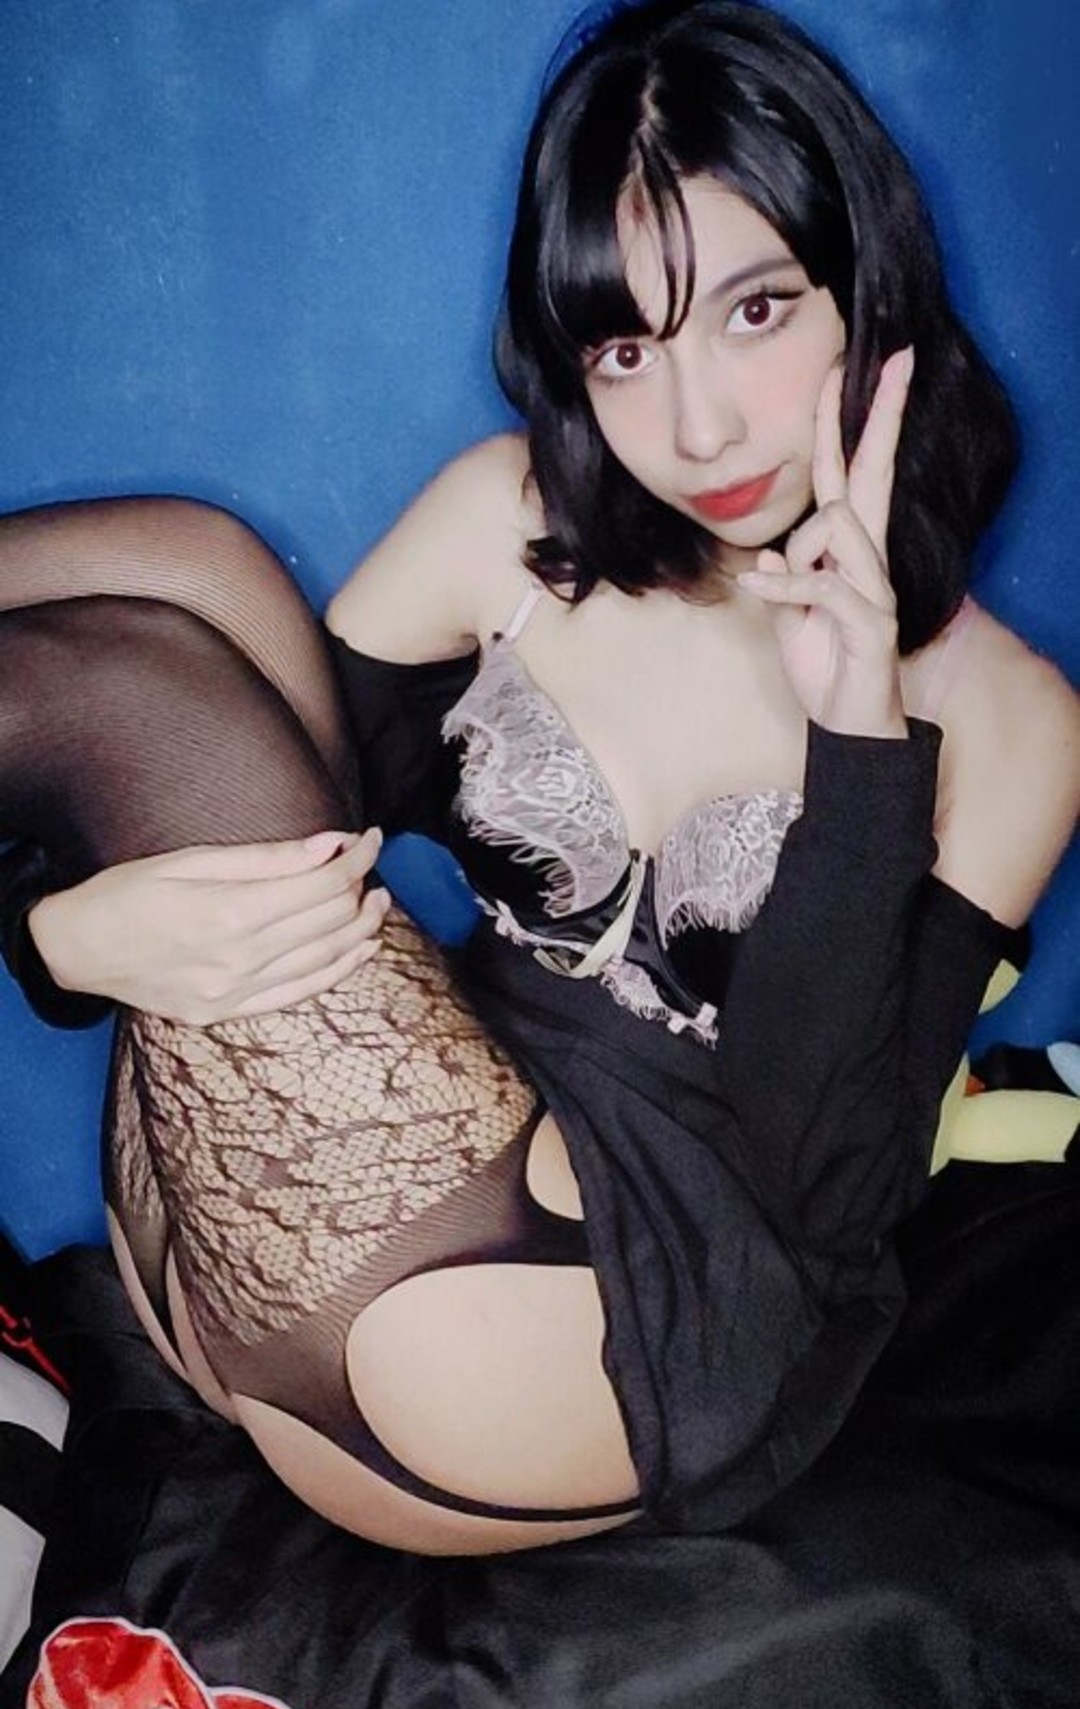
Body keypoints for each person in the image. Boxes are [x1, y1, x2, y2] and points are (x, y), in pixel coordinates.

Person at [0, 0, 1076, 1558]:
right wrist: (58, 939)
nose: (697, 425)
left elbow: (828, 1185)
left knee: (136, 690)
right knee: (200, 577)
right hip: (283, 1219)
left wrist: (859, 736)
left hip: (587, 1332)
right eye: (628, 348)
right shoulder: (513, 525)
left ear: (867, 286)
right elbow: (277, 777)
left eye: (758, 312)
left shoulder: (1009, 715)